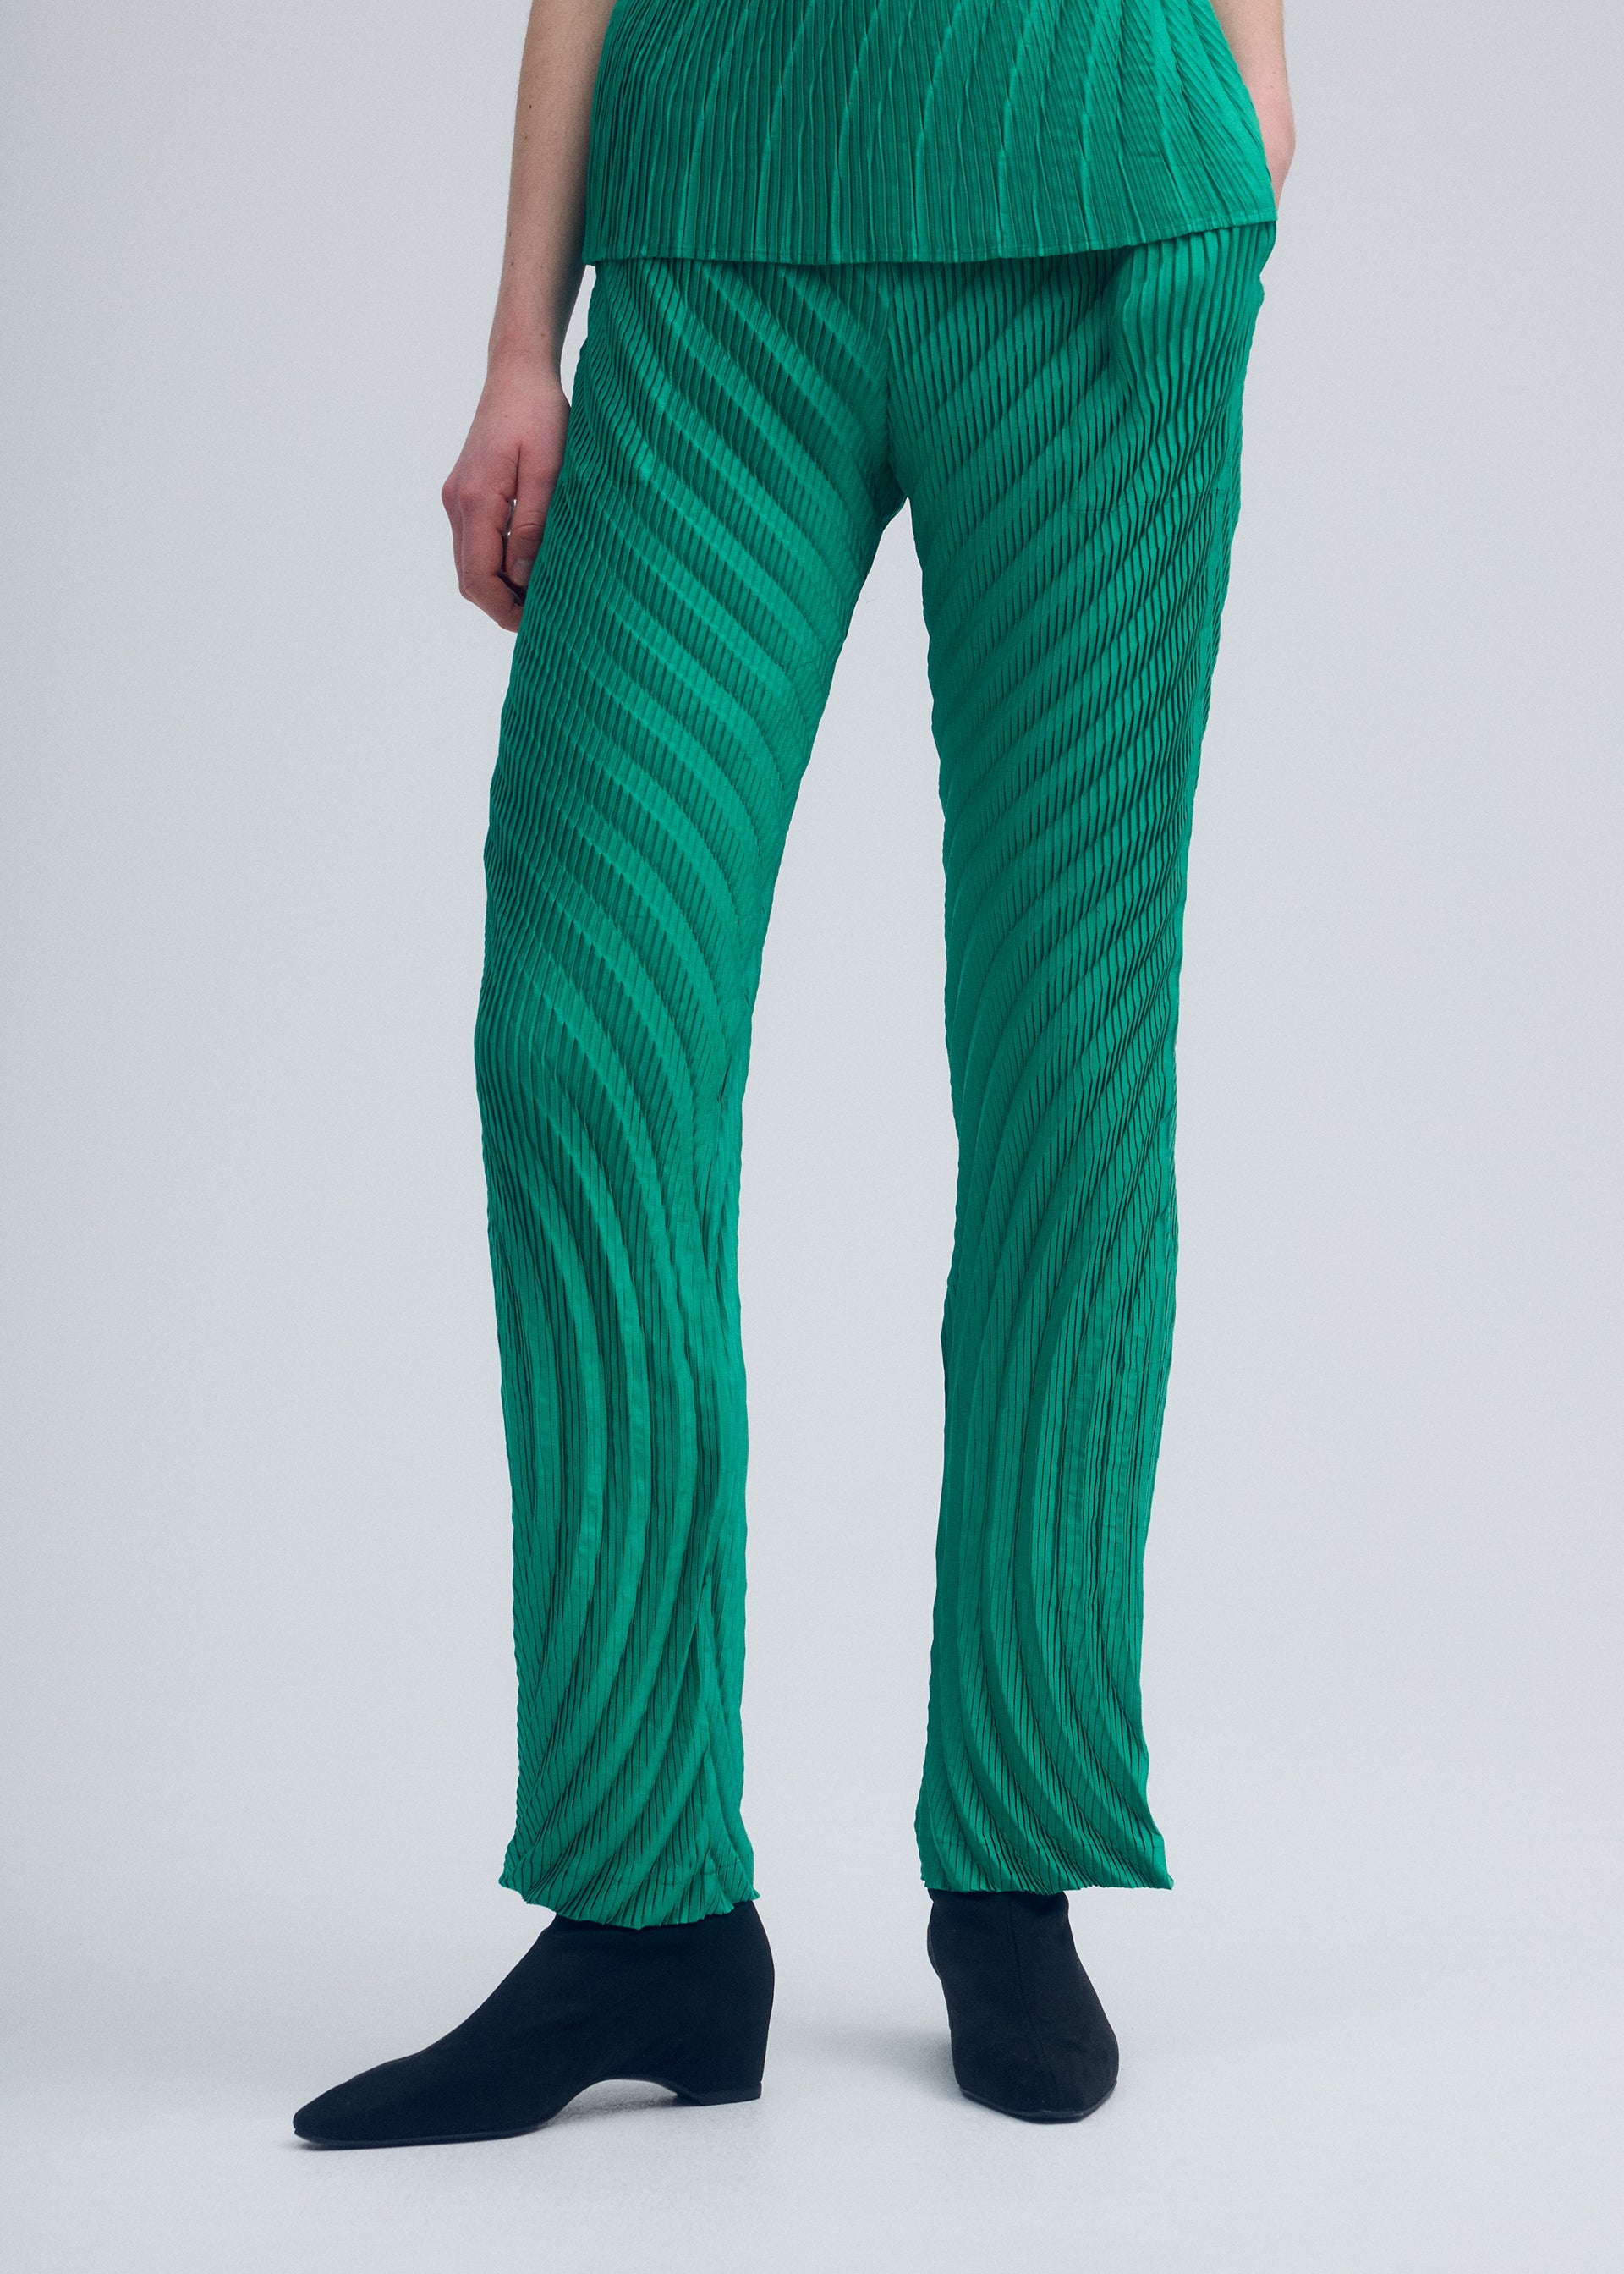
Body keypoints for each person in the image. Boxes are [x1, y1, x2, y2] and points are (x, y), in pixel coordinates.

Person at [293, 0, 1294, 2147]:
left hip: (1103, 219)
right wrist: (519, 341)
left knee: (1070, 1058)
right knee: (582, 1038)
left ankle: (1016, 1859)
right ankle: (642, 1903)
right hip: (719, 226)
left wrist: (1252, 115)